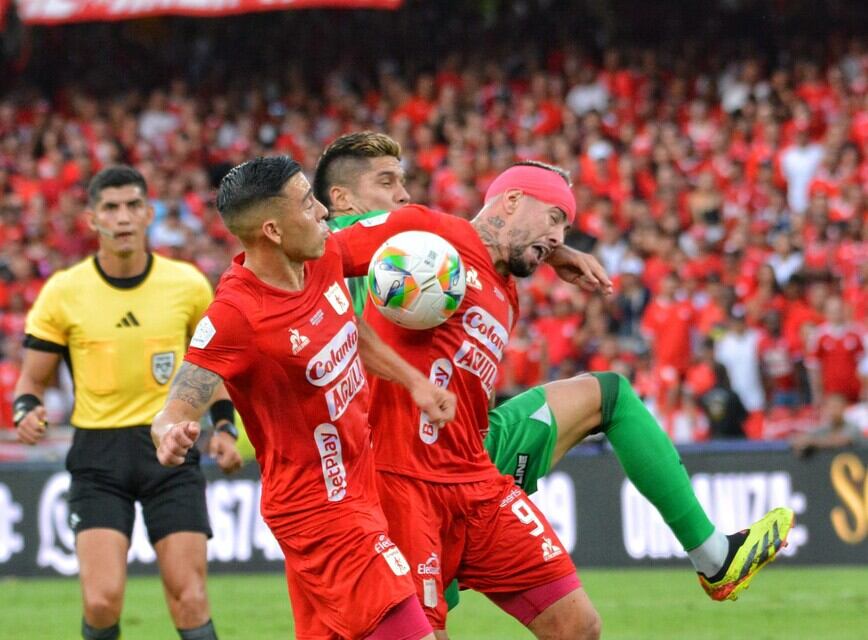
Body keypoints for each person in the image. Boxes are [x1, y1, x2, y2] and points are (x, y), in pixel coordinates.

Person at [315, 132, 794, 617]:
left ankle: (715, 556)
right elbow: (315, 250)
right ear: (341, 198)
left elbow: (476, 243)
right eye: (387, 183)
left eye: (565, 225)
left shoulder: (491, 280)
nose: (402, 194)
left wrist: (547, 248)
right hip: (393, 466)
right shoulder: (396, 237)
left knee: (608, 394)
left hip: (472, 453)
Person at [151, 156, 456, 640]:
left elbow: (349, 327)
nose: (323, 211)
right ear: (272, 230)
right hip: (318, 512)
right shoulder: (237, 314)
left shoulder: (323, 257)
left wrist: (414, 382)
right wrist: (170, 433)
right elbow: (178, 404)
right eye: (308, 202)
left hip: (361, 488)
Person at [12, 166, 242, 640]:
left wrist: (224, 427)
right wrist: (26, 410)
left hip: (171, 449)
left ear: (148, 214)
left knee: (190, 598)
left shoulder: (186, 284)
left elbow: (210, 369)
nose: (123, 217)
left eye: (133, 205)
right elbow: (30, 381)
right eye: (111, 208)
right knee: (101, 601)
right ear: (92, 218)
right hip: (98, 455)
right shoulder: (64, 291)